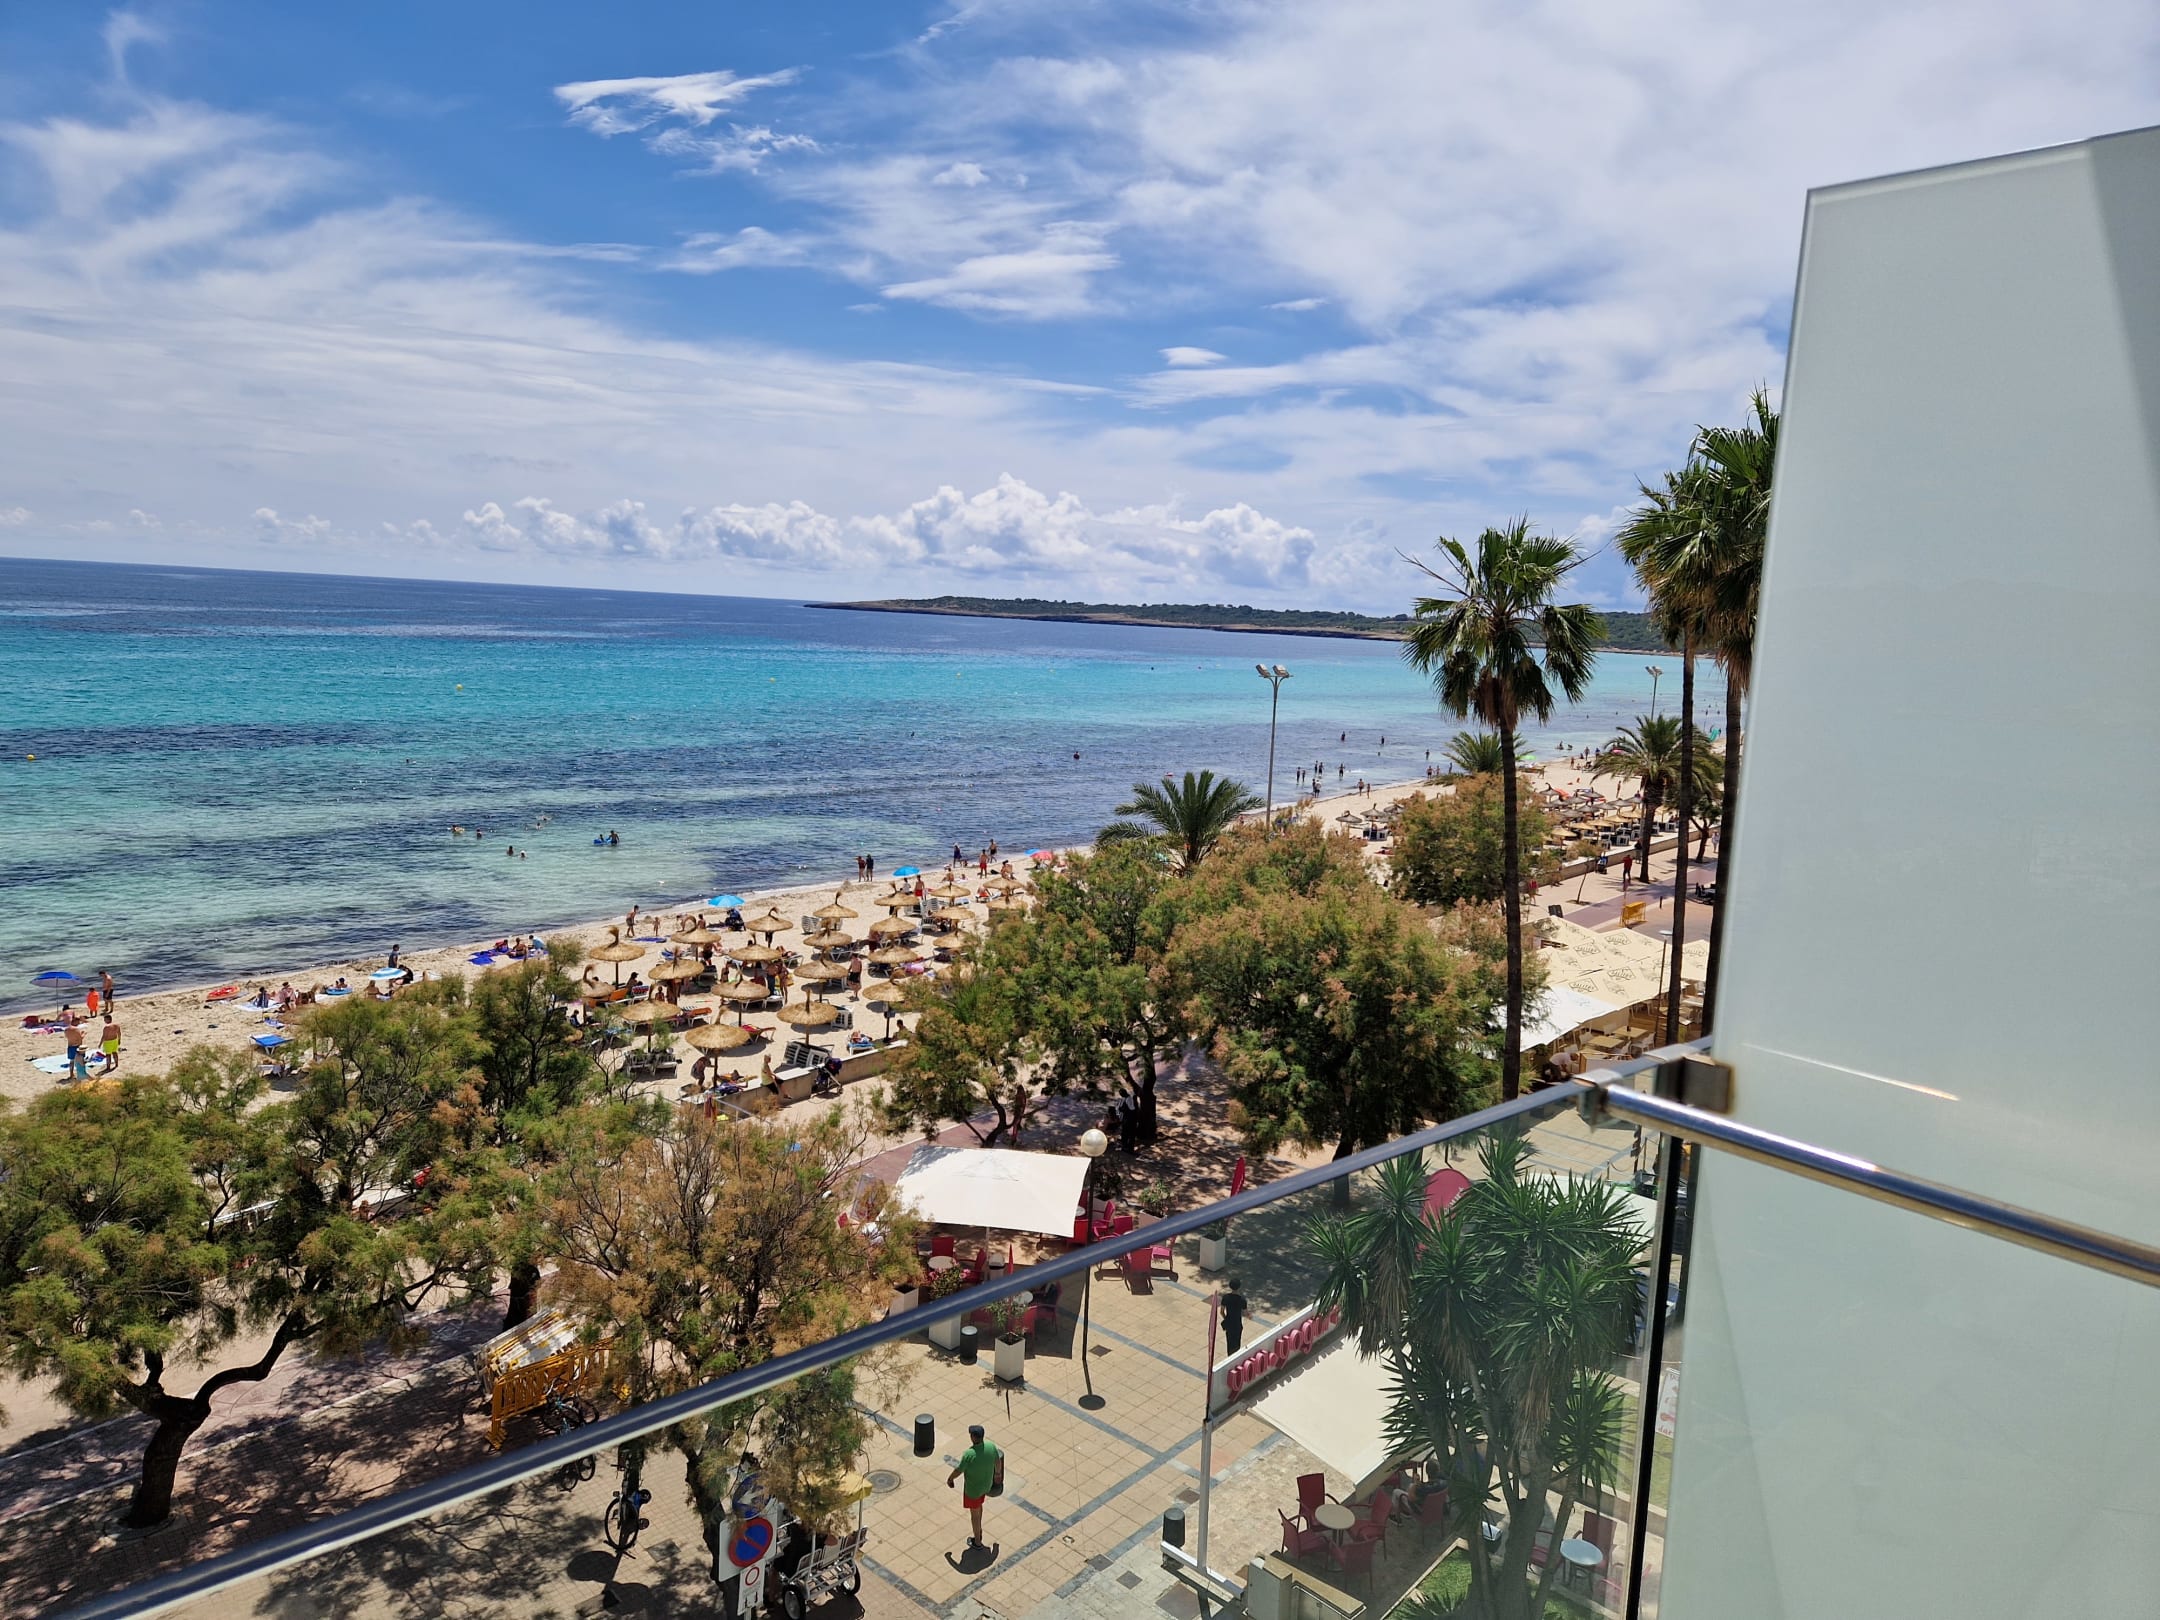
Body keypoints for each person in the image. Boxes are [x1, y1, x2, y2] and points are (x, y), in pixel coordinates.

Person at [947, 1423, 1001, 1550]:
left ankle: (977, 1542)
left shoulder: (969, 1454)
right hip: (986, 1485)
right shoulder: (991, 1446)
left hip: (973, 1491)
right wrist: (997, 1474)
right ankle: (979, 1531)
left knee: (974, 1516)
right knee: (979, 1507)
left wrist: (950, 1479)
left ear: (973, 1437)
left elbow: (959, 1470)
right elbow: (997, 1461)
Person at [1219, 1277, 1248, 1355]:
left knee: (1229, 1343)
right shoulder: (1242, 1300)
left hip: (1229, 1324)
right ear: (1239, 1287)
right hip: (1237, 1324)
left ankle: (1229, 1356)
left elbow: (1221, 1312)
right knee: (1236, 1343)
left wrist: (1226, 1318)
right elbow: (1245, 1313)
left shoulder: (1225, 1298)